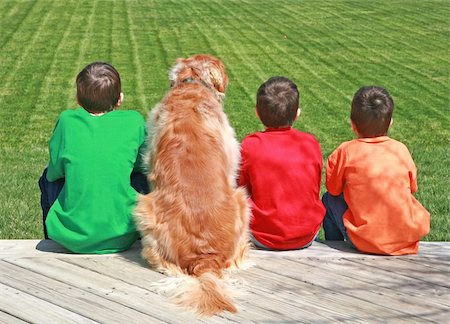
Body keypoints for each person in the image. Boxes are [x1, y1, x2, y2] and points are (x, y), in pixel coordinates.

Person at [38, 62, 149, 254]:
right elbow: (142, 164)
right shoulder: (134, 121)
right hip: (123, 234)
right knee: (143, 178)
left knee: (46, 177)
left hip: (71, 238)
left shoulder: (66, 121)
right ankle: (145, 233)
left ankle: (51, 237)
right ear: (119, 99)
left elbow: (56, 171)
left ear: (78, 100)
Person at [322, 86, 430, 255]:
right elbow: (412, 187)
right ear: (391, 122)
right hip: (405, 239)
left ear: (352, 124)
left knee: (328, 199)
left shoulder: (346, 151)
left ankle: (334, 249)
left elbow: (333, 189)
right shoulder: (400, 150)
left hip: (366, 241)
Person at [238, 76, 325, 250]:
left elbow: (241, 187)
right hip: (306, 234)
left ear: (257, 112)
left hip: (262, 236)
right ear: (297, 113)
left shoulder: (250, 145)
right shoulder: (311, 143)